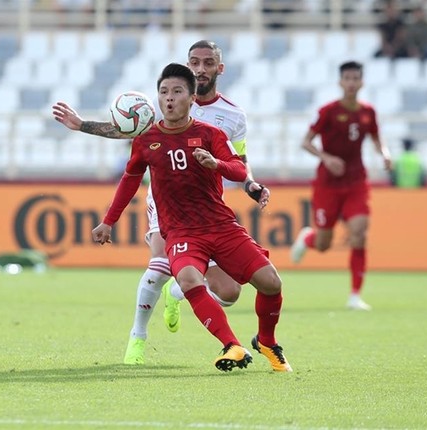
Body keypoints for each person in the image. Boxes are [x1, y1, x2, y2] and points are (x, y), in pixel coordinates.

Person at [52, 63, 292, 373]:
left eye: (177, 92)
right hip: (181, 232)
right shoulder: (146, 139)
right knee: (188, 278)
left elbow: (239, 169)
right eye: (164, 92)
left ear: (192, 98)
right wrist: (109, 220)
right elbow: (129, 179)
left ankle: (267, 341)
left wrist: (215, 163)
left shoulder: (211, 134)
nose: (169, 98)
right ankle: (231, 345)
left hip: (221, 226)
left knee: (270, 283)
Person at [128, 40, 269, 366]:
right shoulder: (164, 102)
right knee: (160, 262)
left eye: (208, 63)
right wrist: (83, 126)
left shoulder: (233, 115)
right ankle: (138, 337)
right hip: (165, 201)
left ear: (220, 68)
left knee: (230, 293)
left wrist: (250, 185)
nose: (201, 69)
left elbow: (240, 160)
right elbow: (124, 129)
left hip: (207, 208)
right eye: (195, 62)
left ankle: (177, 293)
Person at [290, 61, 392, 311]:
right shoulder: (328, 111)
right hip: (328, 183)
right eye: (347, 78)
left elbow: (377, 137)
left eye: (355, 78)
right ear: (340, 82)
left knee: (359, 233)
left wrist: (385, 154)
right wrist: (327, 158)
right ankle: (309, 238)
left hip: (356, 181)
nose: (351, 83)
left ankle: (355, 296)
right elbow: (305, 142)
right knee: (324, 244)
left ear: (362, 82)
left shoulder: (368, 112)